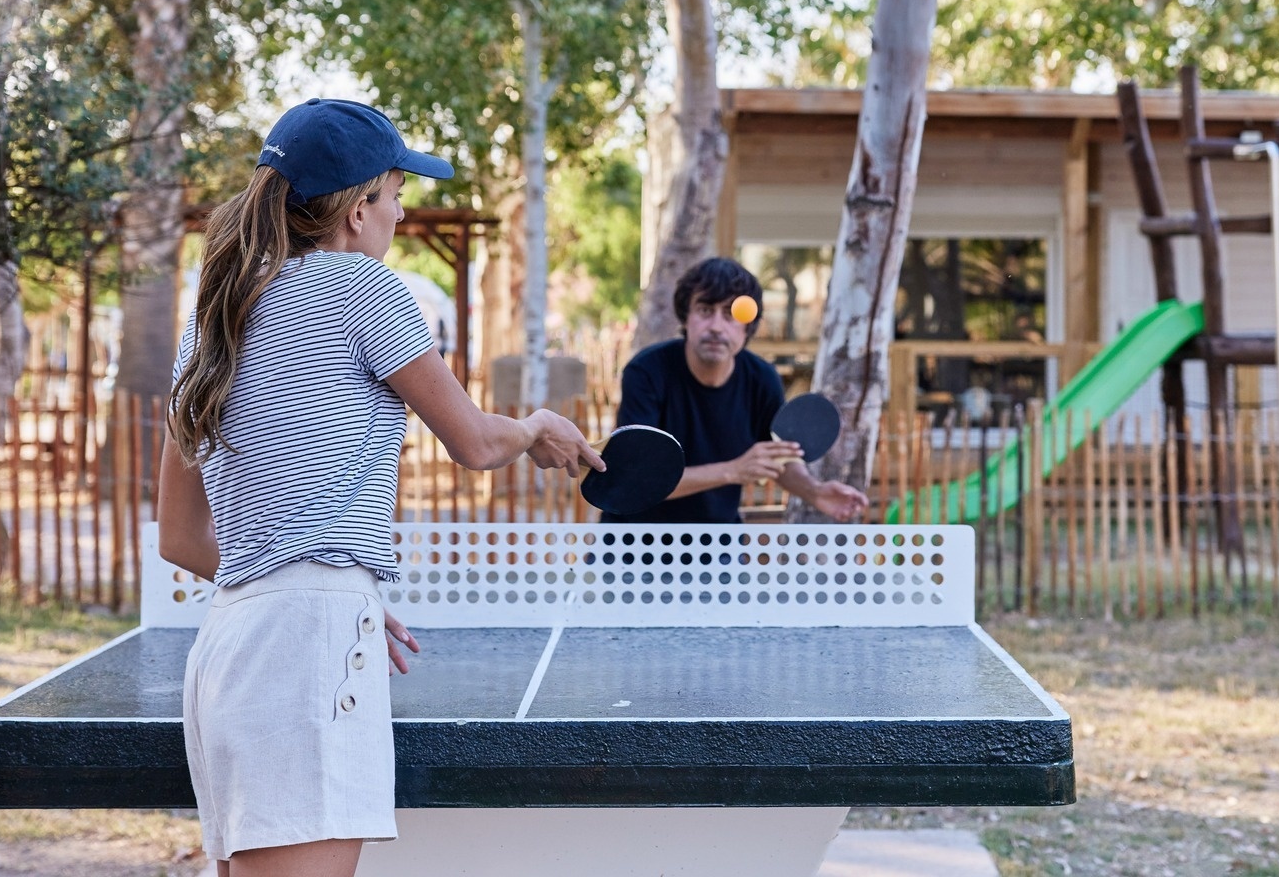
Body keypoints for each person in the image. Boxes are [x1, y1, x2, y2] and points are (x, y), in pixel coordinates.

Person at [155, 98, 600, 877]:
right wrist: (534, 427)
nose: (398, 216)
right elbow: (475, 441)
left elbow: (182, 540)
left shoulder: (210, 319)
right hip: (304, 655)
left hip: (228, 649)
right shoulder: (364, 288)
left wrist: (327, 582)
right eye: (395, 197)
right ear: (358, 210)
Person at [608, 256, 868, 524]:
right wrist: (733, 470)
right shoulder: (647, 372)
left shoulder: (762, 379)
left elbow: (778, 457)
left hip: (718, 541)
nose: (717, 326)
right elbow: (638, 478)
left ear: (749, 326)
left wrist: (815, 491)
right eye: (706, 310)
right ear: (686, 317)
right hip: (632, 542)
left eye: (732, 313)